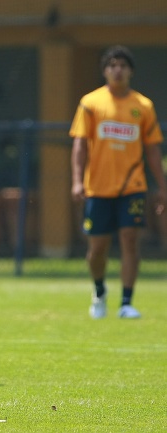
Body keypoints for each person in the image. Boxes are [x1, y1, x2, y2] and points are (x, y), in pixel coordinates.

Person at [70, 45, 167, 320]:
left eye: (123, 65)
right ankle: (99, 291)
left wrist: (162, 187)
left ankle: (126, 302)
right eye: (112, 65)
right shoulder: (90, 103)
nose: (117, 70)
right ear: (105, 71)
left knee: (130, 240)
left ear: (131, 72)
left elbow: (152, 149)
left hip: (132, 187)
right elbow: (79, 145)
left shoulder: (143, 106)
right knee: (97, 249)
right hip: (98, 188)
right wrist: (77, 181)